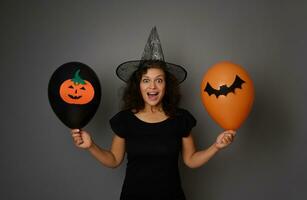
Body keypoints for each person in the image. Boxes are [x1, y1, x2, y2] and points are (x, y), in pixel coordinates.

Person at [71, 28, 236, 200]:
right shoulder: (125, 120)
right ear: (138, 86)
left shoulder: (181, 119)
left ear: (167, 85)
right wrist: (91, 146)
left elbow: (191, 160)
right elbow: (114, 160)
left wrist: (216, 146)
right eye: (146, 80)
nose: (152, 87)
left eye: (159, 80)